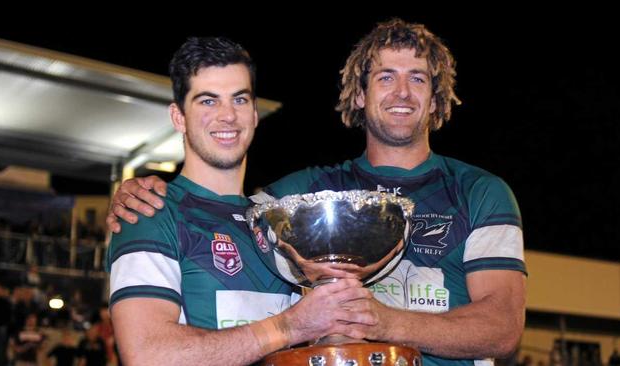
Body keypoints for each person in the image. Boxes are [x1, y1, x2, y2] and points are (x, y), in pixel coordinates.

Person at [108, 19, 527, 365]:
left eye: (417, 78)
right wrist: (139, 191)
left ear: (436, 99)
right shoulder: (311, 191)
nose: (402, 92)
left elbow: (503, 329)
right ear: (360, 94)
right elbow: (219, 205)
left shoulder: (480, 192)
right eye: (386, 77)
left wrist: (382, 321)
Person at [105, 36, 374, 365]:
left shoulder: (278, 223)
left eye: (239, 100)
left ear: (255, 113)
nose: (227, 115)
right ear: (178, 117)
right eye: (207, 101)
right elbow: (148, 354)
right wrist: (290, 327)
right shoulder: (150, 212)